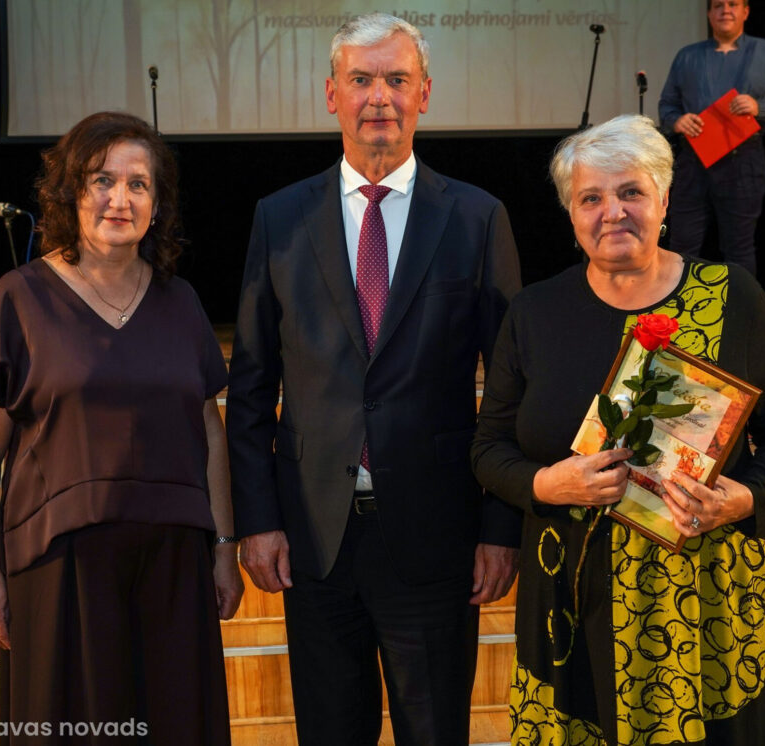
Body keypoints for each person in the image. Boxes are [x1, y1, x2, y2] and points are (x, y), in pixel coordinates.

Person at [471, 115, 765, 746]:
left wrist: (745, 497)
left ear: (664, 200)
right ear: (571, 213)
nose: (613, 212)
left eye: (631, 191)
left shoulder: (731, 296)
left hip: (707, 599)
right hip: (569, 593)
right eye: (591, 197)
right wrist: (547, 484)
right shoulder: (535, 312)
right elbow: (490, 447)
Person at [226, 12, 523, 746]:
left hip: (438, 538)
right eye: (361, 79)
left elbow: (510, 390)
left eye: (397, 79)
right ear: (332, 94)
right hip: (314, 540)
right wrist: (257, 519)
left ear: (426, 93)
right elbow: (252, 385)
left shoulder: (478, 219)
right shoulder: (279, 218)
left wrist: (501, 527)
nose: (379, 96)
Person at [0, 111, 241, 745]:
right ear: (70, 193)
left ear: (157, 204)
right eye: (102, 180)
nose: (121, 199)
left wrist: (225, 549)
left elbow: (210, 430)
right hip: (60, 570)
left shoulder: (181, 302)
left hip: (175, 568)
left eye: (139, 184)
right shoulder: (19, 297)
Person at [657, 0, 765, 276]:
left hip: (743, 161)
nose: (725, 10)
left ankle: (738, 304)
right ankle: (680, 303)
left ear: (746, 11)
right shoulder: (687, 56)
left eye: (733, 4)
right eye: (718, 5)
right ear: (709, 14)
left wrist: (759, 107)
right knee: (683, 244)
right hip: (693, 160)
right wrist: (677, 121)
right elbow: (667, 105)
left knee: (739, 247)